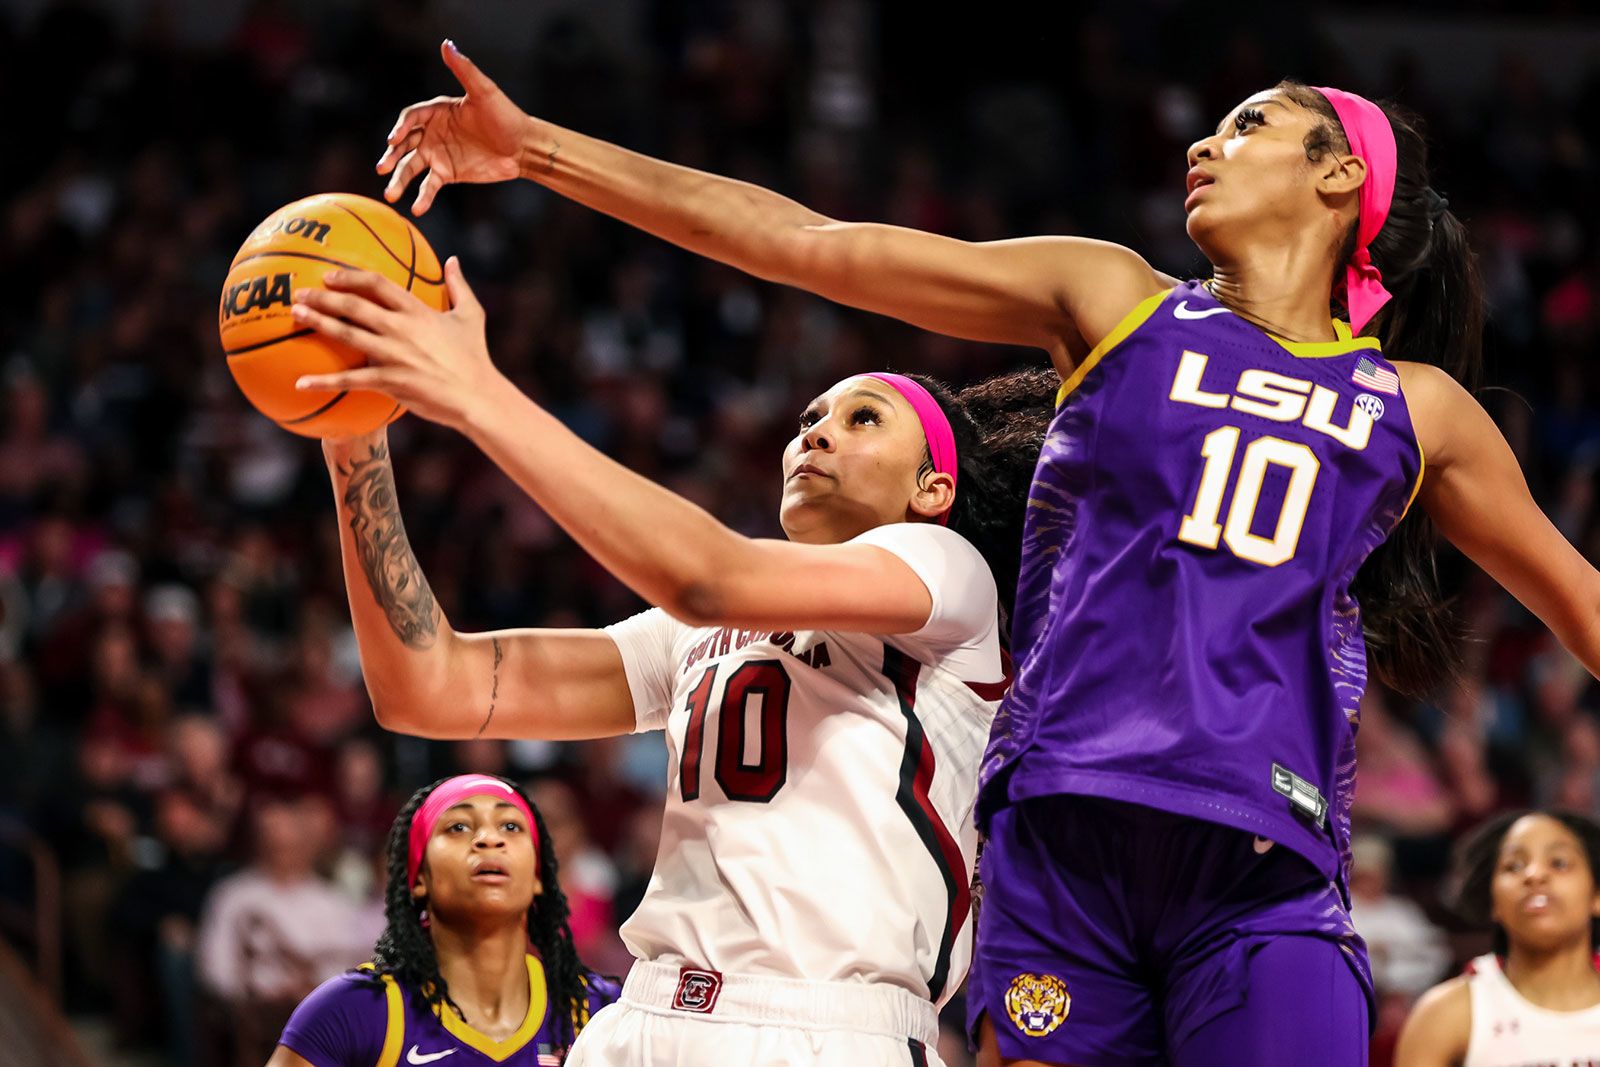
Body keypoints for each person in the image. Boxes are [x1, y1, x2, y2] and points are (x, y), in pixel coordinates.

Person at [370, 43, 1600, 1066]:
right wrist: (534, 149)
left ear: (1339, 176)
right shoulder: (1114, 297)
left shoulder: (1420, 407)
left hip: (1258, 862)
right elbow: (804, 241)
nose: (1201, 145)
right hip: (1059, 844)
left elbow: (1576, 601)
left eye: (1247, 125)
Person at [287, 239, 1051, 1063]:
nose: (819, 432)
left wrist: (475, 392)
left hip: (825, 1028)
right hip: (644, 1019)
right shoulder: (696, 628)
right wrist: (352, 438)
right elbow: (430, 687)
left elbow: (709, 575)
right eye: (809, 421)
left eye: (863, 417)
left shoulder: (947, 572)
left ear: (931, 488)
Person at [266, 774, 620, 1066]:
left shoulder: (603, 1012)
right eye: (458, 827)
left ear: (538, 875)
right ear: (419, 877)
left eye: (510, 826)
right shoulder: (352, 1009)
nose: (489, 839)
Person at [1396, 811, 1600, 1066]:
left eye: (1558, 863)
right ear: (1493, 903)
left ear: (1597, 896)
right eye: (1514, 866)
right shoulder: (1446, 1014)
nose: (1534, 875)